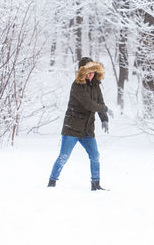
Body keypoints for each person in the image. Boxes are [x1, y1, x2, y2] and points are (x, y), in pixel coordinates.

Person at [47, 57, 113, 191]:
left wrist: (104, 118)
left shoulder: (96, 85)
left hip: (87, 129)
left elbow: (100, 102)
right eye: (87, 72)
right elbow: (88, 104)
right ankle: (52, 182)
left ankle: (96, 184)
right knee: (63, 156)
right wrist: (104, 109)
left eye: (92, 72)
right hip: (72, 127)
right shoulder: (77, 85)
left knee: (95, 155)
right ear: (82, 72)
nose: (90, 75)